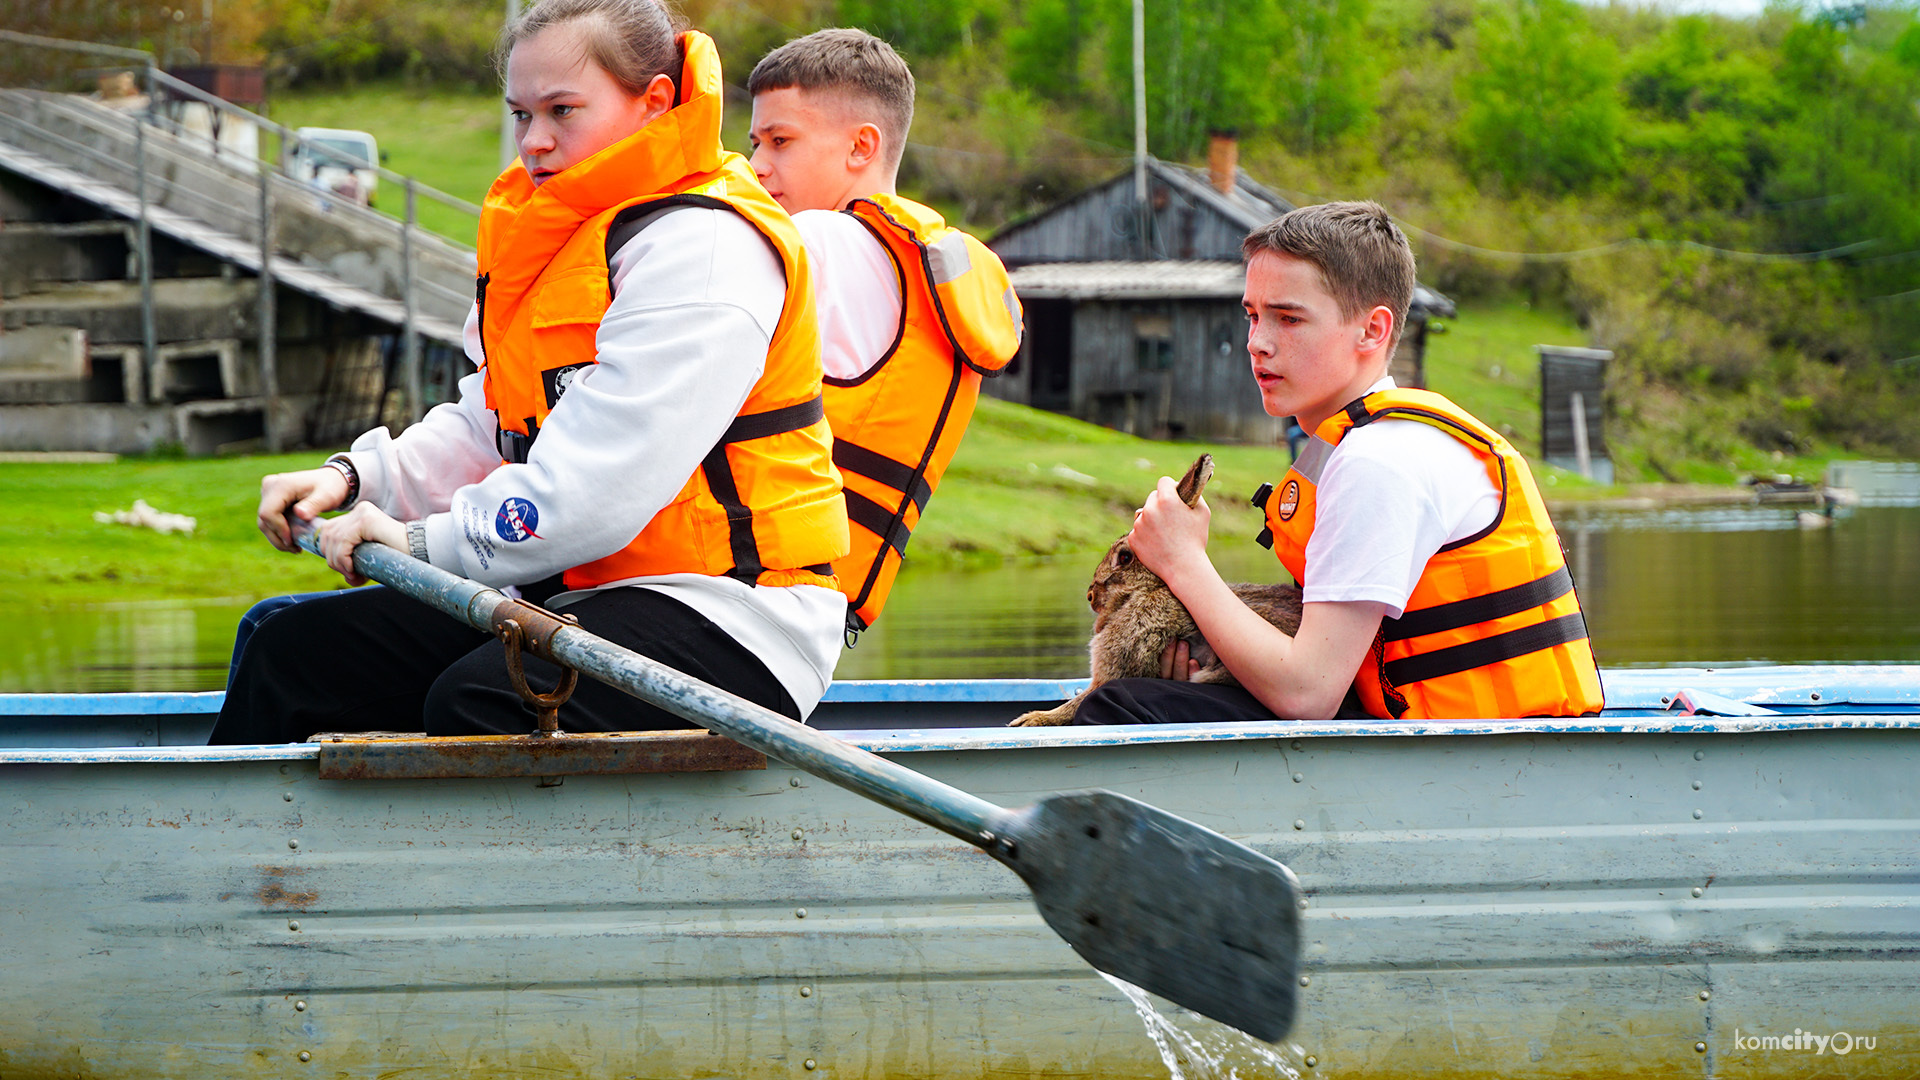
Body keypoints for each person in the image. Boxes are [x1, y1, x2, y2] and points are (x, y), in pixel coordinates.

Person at [211, 0, 849, 744]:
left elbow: (595, 492)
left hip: (735, 615)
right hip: (572, 592)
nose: (536, 142)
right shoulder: (555, 239)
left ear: (656, 103)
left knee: (481, 702)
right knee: (288, 651)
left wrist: (421, 544)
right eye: (521, 114)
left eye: (563, 111)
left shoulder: (706, 249)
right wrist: (356, 479)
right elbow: (491, 420)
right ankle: (233, 862)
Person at [1078, 201, 1603, 724]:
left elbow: (1309, 694)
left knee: (1114, 706)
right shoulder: (1363, 442)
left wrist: (1182, 563)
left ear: (1372, 331)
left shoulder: (1379, 461)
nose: (1257, 343)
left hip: (1482, 755)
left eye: (1288, 318)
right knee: (1150, 691)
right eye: (1253, 315)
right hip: (1448, 738)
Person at [745, 28, 1023, 637]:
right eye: (755, 143)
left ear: (861, 147)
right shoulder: (913, 264)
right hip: (823, 606)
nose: (756, 167)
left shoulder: (816, 243)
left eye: (780, 142)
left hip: (749, 585)